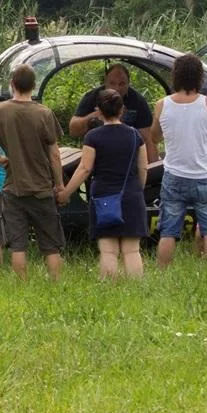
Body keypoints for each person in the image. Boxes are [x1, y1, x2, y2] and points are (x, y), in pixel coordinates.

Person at [0, 64, 65, 281]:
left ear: (12, 84)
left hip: (12, 189)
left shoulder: (0, 111)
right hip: (41, 188)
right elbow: (55, 155)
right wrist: (59, 186)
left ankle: (22, 286)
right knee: (51, 246)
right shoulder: (44, 113)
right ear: (34, 86)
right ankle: (56, 284)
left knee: (18, 246)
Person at [59, 88, 148, 279]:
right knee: (132, 250)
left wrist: (66, 193)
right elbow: (143, 168)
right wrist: (138, 189)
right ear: (122, 109)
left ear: (98, 111)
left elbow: (85, 168)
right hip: (131, 195)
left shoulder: (93, 137)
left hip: (104, 197)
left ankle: (110, 287)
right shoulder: (135, 135)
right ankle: (136, 289)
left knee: (108, 250)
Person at [149, 52, 207, 267]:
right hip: (204, 176)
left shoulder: (162, 105)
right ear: (199, 77)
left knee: (168, 231)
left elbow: (154, 137)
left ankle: (163, 272)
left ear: (176, 76)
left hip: (175, 175)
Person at [68, 64, 158, 162]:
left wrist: (153, 167)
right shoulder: (92, 97)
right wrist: (94, 116)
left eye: (121, 84)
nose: (117, 88)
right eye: (112, 83)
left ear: (129, 83)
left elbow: (148, 139)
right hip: (97, 154)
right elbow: (73, 130)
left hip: (128, 155)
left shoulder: (137, 101)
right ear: (105, 82)